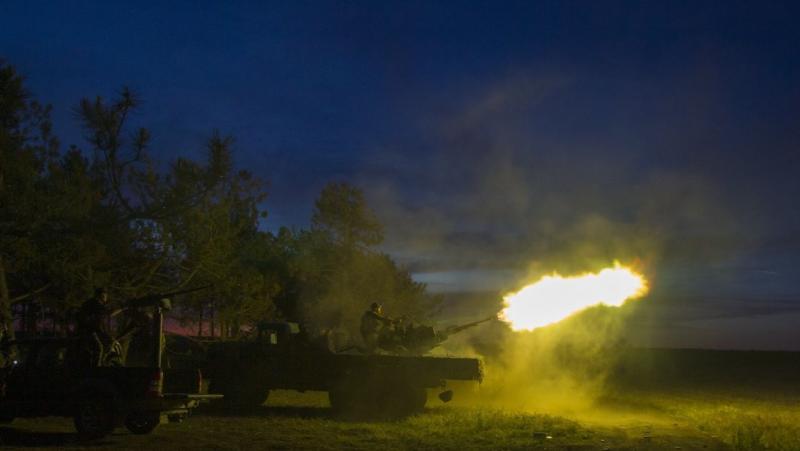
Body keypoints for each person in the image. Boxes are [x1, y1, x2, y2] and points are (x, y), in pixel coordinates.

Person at [76, 287, 121, 366]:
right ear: (100, 295)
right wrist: (122, 308)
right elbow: (108, 313)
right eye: (104, 295)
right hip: (88, 331)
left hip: (90, 330)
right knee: (99, 348)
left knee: (105, 342)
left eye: (106, 295)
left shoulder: (93, 304)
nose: (106, 297)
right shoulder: (95, 304)